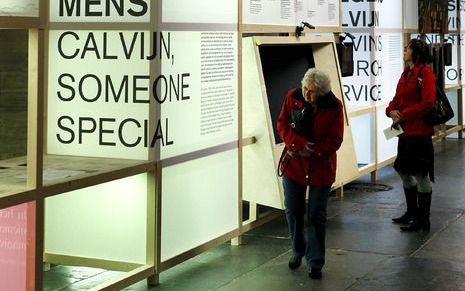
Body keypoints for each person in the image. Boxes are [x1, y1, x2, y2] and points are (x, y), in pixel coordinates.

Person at [277, 68, 344, 279]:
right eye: (305, 88)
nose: (306, 94)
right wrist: (298, 144)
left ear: (322, 92)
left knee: (317, 214)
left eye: (312, 91)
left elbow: (336, 139)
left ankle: (315, 261)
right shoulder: (293, 96)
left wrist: (314, 151)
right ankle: (298, 250)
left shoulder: (334, 107)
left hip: (321, 167)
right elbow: (282, 123)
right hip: (294, 163)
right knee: (293, 210)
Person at [386, 38, 436, 232]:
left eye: (407, 49)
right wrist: (391, 111)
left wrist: (404, 115)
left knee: (420, 174)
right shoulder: (406, 73)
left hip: (419, 133)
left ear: (415, 53)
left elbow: (427, 103)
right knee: (403, 170)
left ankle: (423, 219)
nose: (404, 51)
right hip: (404, 132)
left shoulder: (426, 74)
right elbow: (397, 98)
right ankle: (412, 212)